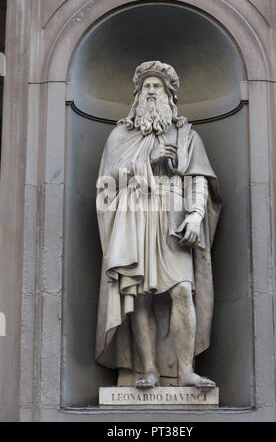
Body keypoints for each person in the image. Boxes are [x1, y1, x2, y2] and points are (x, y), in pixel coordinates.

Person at [95, 61, 221, 389]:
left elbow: (198, 178)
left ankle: (185, 371)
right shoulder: (120, 135)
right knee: (139, 296)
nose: (151, 92)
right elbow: (105, 183)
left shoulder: (185, 134)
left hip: (173, 214)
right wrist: (144, 163)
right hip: (135, 216)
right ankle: (148, 369)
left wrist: (195, 215)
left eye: (158, 87)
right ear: (137, 97)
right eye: (146, 87)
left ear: (169, 96)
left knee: (181, 290)